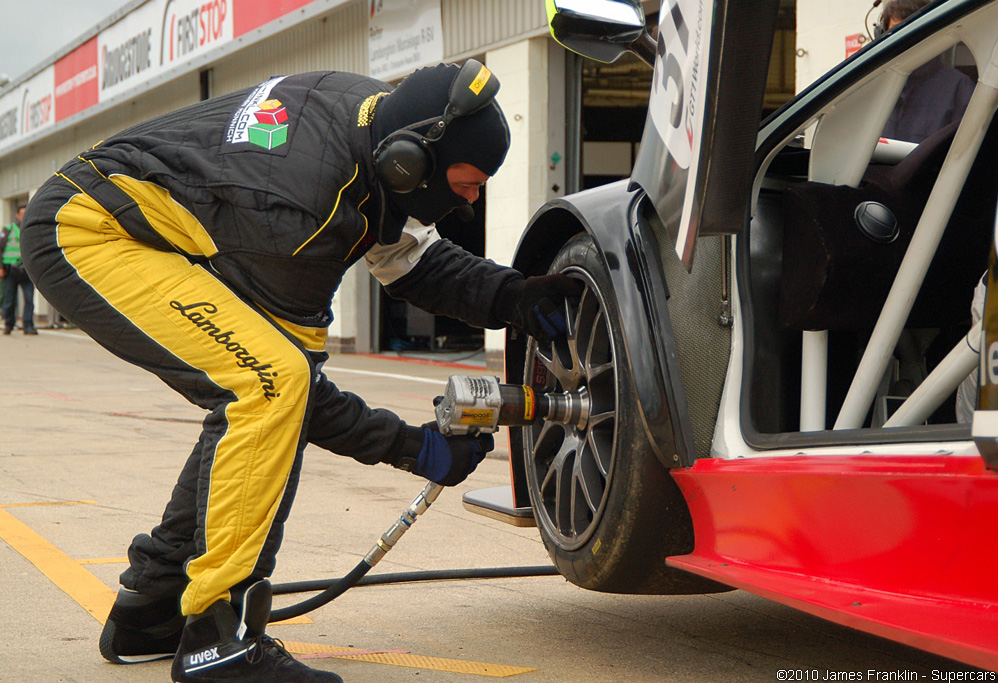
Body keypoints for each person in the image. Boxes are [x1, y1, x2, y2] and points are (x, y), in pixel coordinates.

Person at [21, 62, 579, 683]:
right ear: (409, 164)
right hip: (89, 231)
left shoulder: (374, 127)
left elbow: (408, 258)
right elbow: (304, 397)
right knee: (270, 385)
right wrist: (414, 448)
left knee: (258, 388)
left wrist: (513, 296)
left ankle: (151, 608)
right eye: (467, 182)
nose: (472, 199)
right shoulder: (298, 213)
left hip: (137, 211)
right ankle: (218, 639)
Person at [878, 0, 975, 143]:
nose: (903, 39)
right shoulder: (875, 87)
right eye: (896, 31)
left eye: (911, 30)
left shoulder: (959, 88)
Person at [1, 206, 37, 336]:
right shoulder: (8, 230)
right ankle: (9, 324)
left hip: (27, 271)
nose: (24, 215)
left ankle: (28, 326)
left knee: (29, 299)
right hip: (10, 271)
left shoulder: (32, 230)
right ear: (17, 215)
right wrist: (0, 268)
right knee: (9, 300)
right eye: (22, 213)